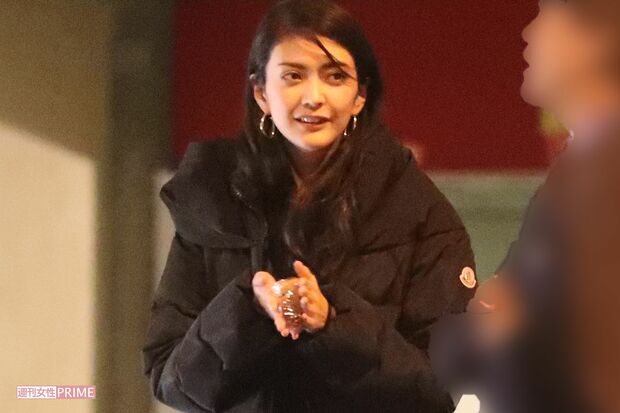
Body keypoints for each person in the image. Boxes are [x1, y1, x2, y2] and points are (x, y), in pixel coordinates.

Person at [141, 1, 476, 412]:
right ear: (262, 93)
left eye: (335, 76)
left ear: (360, 95)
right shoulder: (214, 199)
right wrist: (250, 311)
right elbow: (170, 377)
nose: (314, 97)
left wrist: (334, 322)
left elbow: (446, 385)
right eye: (293, 76)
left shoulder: (419, 212)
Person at [430, 1, 620, 412]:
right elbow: (461, 347)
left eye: (546, 15)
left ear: (594, 41)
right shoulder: (571, 175)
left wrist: (510, 333)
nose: (527, 32)